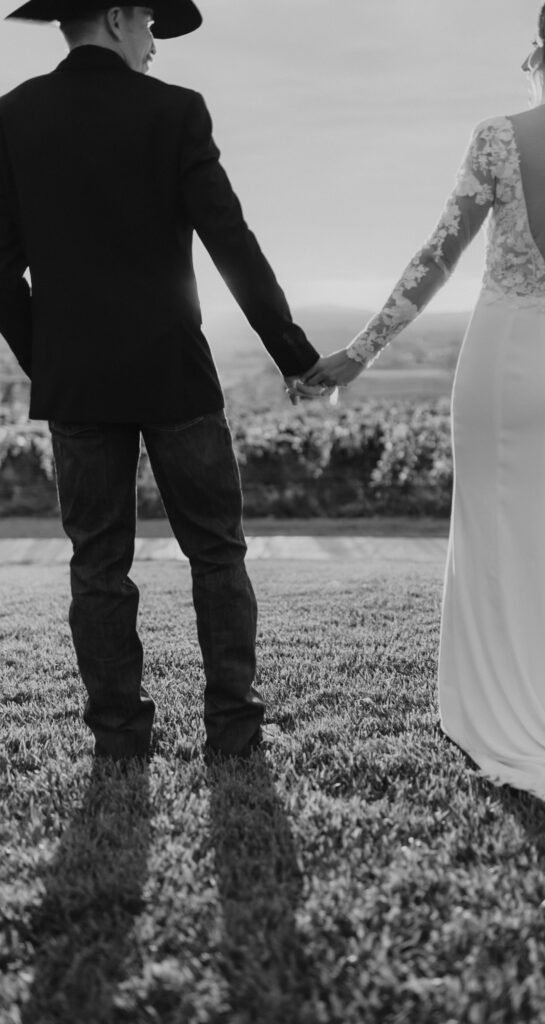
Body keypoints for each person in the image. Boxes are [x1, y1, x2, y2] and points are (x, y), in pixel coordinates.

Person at [301, 0, 545, 842]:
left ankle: (494, 714)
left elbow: (433, 261)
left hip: (501, 359)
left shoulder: (498, 137)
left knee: (492, 535)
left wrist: (358, 355)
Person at [0, 1, 324, 762]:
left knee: (96, 563)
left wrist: (46, 357)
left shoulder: (12, 115)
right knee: (216, 552)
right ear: (117, 18)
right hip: (175, 371)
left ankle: (117, 736)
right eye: (149, 24)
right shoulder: (175, 112)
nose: (154, 45)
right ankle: (234, 729)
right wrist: (294, 354)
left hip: (75, 381)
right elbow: (229, 242)